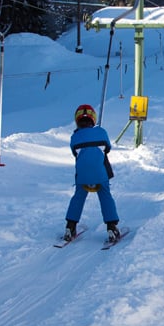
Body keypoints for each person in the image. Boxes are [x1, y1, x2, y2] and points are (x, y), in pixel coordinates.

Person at [63, 104, 119, 243]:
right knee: (105, 195)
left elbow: (74, 152)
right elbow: (107, 148)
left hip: (82, 176)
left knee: (78, 196)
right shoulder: (101, 132)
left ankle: (70, 226)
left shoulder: (74, 137)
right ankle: (111, 226)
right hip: (100, 174)